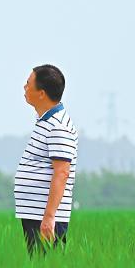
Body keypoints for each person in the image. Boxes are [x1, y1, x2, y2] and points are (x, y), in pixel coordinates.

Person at [15, 65, 78, 255]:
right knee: (38, 267)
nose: (24, 87)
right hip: (36, 213)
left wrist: (50, 217)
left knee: (47, 267)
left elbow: (62, 172)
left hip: (44, 217)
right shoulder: (45, 121)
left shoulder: (58, 126)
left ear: (41, 93)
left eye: (28, 84)